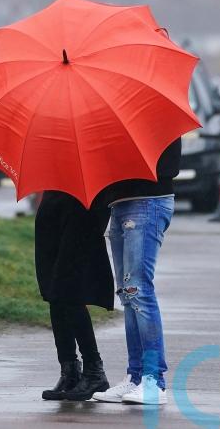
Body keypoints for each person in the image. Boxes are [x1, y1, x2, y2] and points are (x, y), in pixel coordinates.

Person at [92, 138, 180, 405]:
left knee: (138, 291)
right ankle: (136, 376)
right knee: (128, 295)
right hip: (120, 202)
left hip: (148, 200)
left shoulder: (153, 115)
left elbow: (167, 163)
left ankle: (154, 382)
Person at [35, 190, 113, 401]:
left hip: (83, 208)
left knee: (69, 290)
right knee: (53, 292)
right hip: (53, 205)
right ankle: (69, 371)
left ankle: (94, 371)